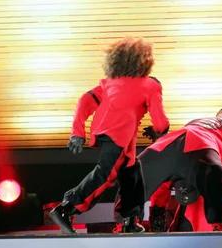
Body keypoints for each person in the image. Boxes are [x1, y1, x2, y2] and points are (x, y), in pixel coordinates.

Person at [49, 37, 170, 234]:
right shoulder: (150, 85)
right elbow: (161, 122)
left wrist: (77, 133)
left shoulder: (110, 83)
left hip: (108, 132)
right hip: (119, 133)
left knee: (132, 173)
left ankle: (130, 220)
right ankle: (66, 207)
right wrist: (158, 131)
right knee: (106, 173)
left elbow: (85, 100)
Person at [135, 107, 222, 232]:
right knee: (137, 173)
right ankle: (130, 221)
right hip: (200, 156)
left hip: (199, 158)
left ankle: (130, 220)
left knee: (139, 173)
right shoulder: (204, 126)